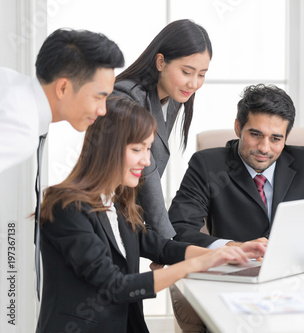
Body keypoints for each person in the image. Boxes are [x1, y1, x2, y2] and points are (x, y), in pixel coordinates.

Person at [36, 96, 264, 333]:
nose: (146, 161)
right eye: (137, 149)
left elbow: (159, 247)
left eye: (148, 149)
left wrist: (225, 251)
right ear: (107, 149)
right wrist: (195, 264)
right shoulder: (64, 206)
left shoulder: (117, 202)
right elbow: (114, 286)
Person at [167, 84, 304, 332]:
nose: (265, 148)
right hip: (237, 286)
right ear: (238, 128)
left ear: (286, 137)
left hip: (301, 286)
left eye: (276, 139)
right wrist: (230, 248)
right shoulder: (208, 165)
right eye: (255, 134)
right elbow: (178, 229)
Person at [112, 19, 211, 239]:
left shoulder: (173, 96)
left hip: (131, 221)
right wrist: (167, 245)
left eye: (202, 74)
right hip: (108, 218)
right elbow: (148, 171)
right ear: (160, 62)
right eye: (187, 71)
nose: (194, 83)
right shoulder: (126, 98)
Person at [0, 28, 124, 175]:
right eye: (98, 98)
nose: (102, 110)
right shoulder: (22, 128)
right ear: (63, 88)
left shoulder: (9, 80)